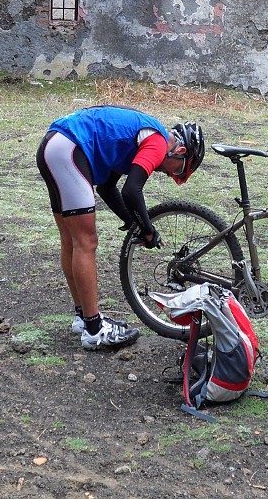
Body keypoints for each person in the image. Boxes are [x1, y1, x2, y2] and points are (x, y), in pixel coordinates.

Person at [36, 106, 205, 351]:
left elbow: (107, 187)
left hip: (54, 146)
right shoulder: (157, 143)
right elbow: (132, 191)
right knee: (86, 242)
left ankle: (83, 317)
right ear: (179, 151)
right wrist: (148, 230)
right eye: (179, 170)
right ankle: (94, 330)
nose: (172, 176)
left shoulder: (136, 138)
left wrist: (135, 223)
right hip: (69, 149)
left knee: (71, 241)